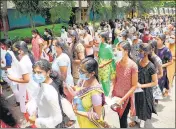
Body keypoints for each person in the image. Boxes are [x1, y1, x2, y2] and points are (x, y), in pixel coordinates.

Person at [30, 59, 76, 128]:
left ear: (48, 72)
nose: (36, 75)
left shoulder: (50, 91)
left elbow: (57, 118)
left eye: (39, 72)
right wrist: (36, 112)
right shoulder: (44, 83)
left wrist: (36, 120)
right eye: (34, 72)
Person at [72, 57, 105, 128]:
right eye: (79, 69)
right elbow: (79, 89)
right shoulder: (83, 79)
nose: (79, 72)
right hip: (82, 121)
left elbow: (97, 115)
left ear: (92, 73)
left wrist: (77, 112)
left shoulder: (95, 93)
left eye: (82, 72)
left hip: (90, 124)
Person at [112, 41, 138, 128]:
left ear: (126, 51)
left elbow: (134, 86)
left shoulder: (133, 66)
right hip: (117, 96)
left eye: (119, 50)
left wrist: (122, 99)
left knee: (123, 119)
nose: (116, 52)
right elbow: (115, 78)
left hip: (126, 98)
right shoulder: (117, 63)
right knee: (119, 117)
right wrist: (112, 90)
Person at [132, 43, 158, 128]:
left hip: (146, 91)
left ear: (146, 53)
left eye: (140, 51)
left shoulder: (151, 66)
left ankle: (142, 121)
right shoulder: (137, 62)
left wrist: (142, 86)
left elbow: (155, 82)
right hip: (137, 89)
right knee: (137, 103)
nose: (138, 52)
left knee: (144, 106)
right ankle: (137, 118)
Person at [7, 41, 35, 113]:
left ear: (20, 51)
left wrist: (12, 78)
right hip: (32, 85)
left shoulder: (22, 63)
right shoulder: (28, 57)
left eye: (15, 50)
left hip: (26, 88)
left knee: (28, 108)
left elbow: (26, 79)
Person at [98, 31, 116, 96]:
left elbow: (112, 58)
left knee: (106, 81)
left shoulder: (108, 47)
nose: (99, 38)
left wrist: (104, 64)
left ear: (103, 38)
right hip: (100, 66)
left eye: (100, 37)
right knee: (102, 81)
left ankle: (107, 95)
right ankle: (104, 94)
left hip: (106, 66)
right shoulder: (100, 45)